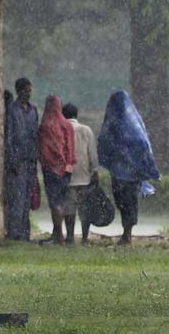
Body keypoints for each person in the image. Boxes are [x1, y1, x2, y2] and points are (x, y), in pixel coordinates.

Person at [97, 90, 160, 246]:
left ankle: (127, 235)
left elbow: (141, 143)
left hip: (128, 173)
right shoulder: (118, 122)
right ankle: (127, 233)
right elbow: (106, 140)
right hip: (123, 172)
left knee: (128, 202)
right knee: (124, 202)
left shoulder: (129, 123)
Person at [4, 78, 39, 240]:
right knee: (16, 199)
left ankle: (25, 234)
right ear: (19, 91)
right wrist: (12, 161)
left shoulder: (33, 110)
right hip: (17, 162)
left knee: (27, 200)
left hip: (31, 161)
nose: (29, 93)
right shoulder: (12, 109)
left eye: (30, 90)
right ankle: (14, 233)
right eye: (26, 90)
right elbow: (9, 136)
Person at [38, 95, 76, 244]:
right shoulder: (67, 125)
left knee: (55, 203)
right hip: (66, 170)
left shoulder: (45, 125)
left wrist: (47, 164)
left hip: (51, 170)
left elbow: (43, 150)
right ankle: (58, 233)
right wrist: (68, 164)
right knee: (62, 200)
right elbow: (71, 148)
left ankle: (59, 236)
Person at [61, 103, 99, 245]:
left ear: (63, 115)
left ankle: (70, 237)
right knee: (85, 209)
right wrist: (95, 171)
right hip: (84, 176)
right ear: (76, 115)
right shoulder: (86, 130)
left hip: (68, 175)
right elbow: (92, 153)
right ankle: (84, 238)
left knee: (69, 208)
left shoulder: (62, 129)